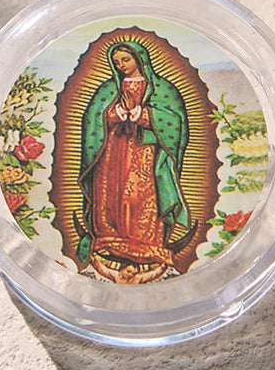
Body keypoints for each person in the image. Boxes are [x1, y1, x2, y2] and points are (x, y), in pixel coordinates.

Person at [76, 40, 190, 283]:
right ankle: (109, 238)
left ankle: (145, 243)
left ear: (139, 58)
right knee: (111, 192)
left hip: (145, 152)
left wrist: (144, 115)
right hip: (112, 153)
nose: (121, 65)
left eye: (125, 60)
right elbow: (92, 120)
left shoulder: (161, 89)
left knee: (140, 194)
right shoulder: (108, 89)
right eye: (116, 62)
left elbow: (175, 122)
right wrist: (113, 114)